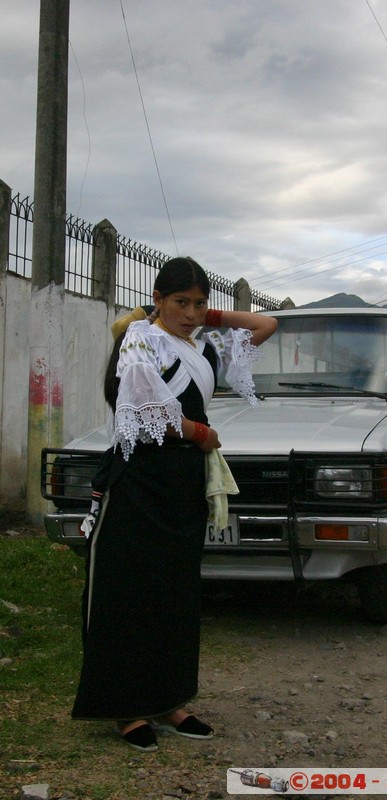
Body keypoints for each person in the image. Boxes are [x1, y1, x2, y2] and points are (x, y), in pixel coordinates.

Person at [71, 256, 278, 752]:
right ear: (157, 299)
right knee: (128, 592)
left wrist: (210, 318)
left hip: (182, 483)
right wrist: (201, 432)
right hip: (138, 479)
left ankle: (170, 701)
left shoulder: (201, 347)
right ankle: (125, 708)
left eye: (199, 302)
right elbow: (146, 411)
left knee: (176, 591)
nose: (190, 312)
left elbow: (265, 323)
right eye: (179, 302)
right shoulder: (142, 339)